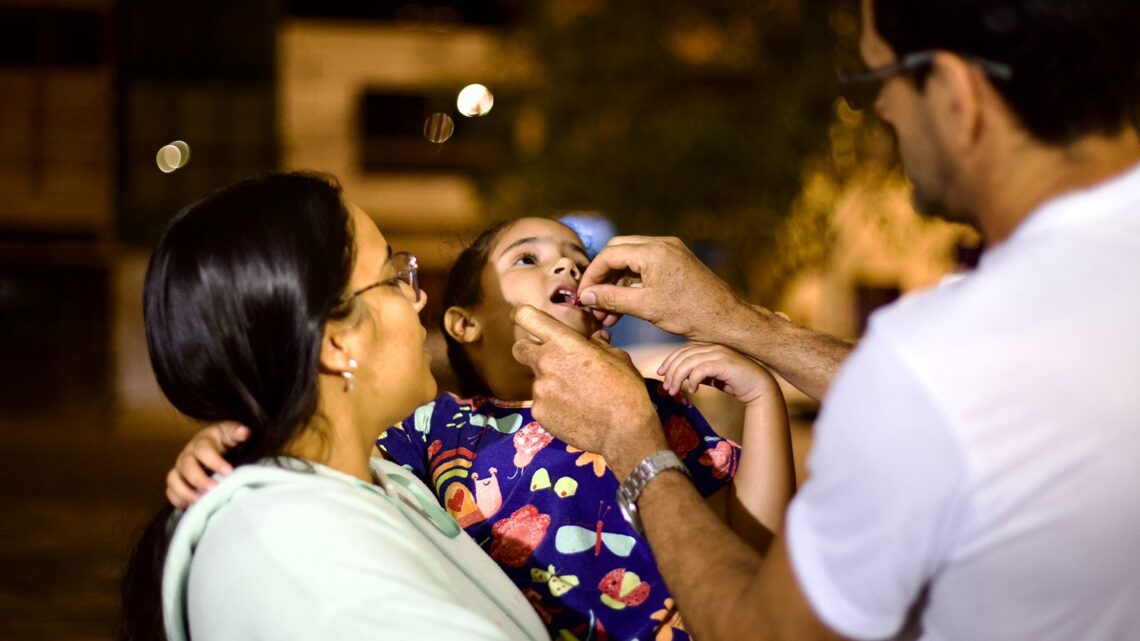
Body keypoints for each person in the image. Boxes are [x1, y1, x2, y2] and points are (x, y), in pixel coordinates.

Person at [509, 0, 1140, 640]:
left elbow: (764, 632)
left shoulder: (937, 359)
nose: (878, 111)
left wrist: (633, 443)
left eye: (874, 82)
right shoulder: (969, 357)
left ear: (954, 91)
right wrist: (738, 321)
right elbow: (981, 405)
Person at [165, 216, 796, 641]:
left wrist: (763, 397)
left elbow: (753, 546)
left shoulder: (649, 409)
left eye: (580, 261)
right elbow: (325, 450)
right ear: (465, 324)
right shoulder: (433, 430)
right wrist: (234, 441)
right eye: (530, 259)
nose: (568, 271)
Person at [119, 172, 548, 641]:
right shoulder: (298, 555)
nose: (419, 296)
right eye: (393, 277)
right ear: (336, 342)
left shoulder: (374, 483)